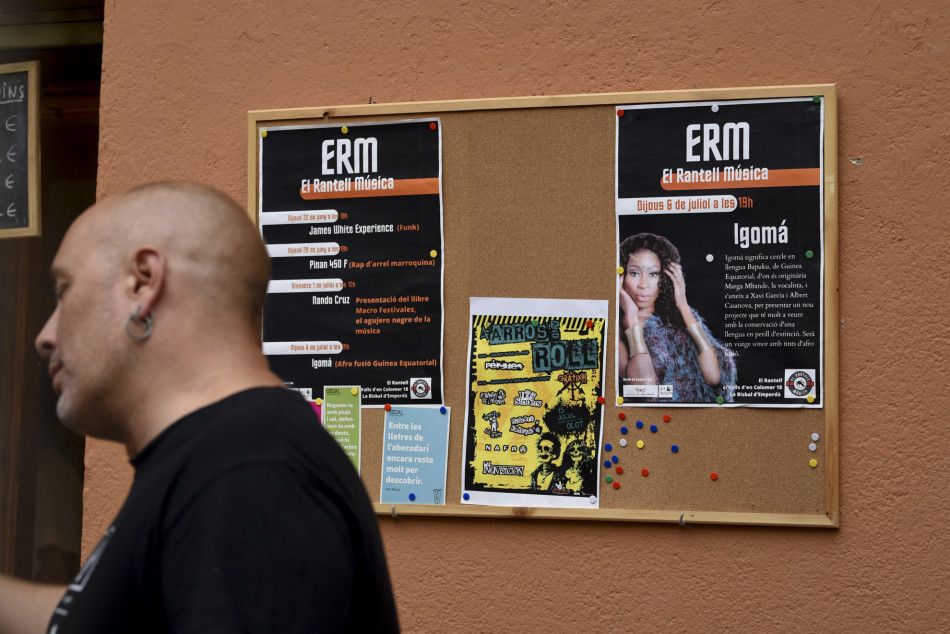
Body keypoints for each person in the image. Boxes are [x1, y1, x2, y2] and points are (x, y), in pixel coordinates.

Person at [0, 182, 399, 633]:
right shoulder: (219, 460)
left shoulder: (251, 471)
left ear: (143, 283)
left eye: (64, 289)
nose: (45, 335)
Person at [618, 232, 735, 403]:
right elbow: (645, 392)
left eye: (653, 274)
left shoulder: (678, 319)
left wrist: (683, 305)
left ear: (664, 277)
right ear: (621, 278)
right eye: (634, 273)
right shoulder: (618, 330)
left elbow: (713, 378)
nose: (643, 284)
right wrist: (633, 321)